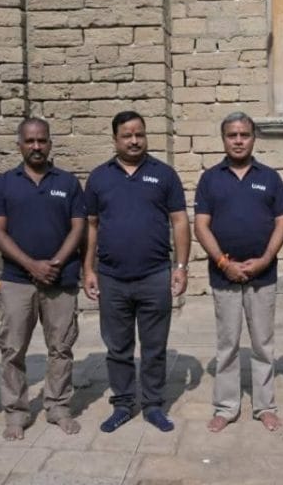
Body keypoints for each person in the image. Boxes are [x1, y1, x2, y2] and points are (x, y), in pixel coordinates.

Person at [83, 111, 190, 433]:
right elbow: (91, 225)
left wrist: (181, 267)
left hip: (155, 274)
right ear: (115, 139)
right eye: (127, 135)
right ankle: (124, 402)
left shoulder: (164, 174)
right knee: (118, 348)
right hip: (112, 277)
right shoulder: (99, 177)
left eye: (139, 134)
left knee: (155, 346)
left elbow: (180, 221)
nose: (134, 140)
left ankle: (154, 405)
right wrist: (89, 269)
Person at [0, 117, 86, 440]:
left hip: (61, 279)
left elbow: (78, 227)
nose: (36, 147)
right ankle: (15, 412)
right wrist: (32, 265)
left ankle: (58, 406)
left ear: (50, 143)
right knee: (13, 348)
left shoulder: (68, 182)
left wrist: (55, 262)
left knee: (61, 347)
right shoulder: (4, 184)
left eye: (42, 141)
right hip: (17, 280)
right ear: (19, 145)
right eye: (30, 141)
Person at [194, 113, 283, 433]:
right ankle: (227, 406)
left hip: (263, 274)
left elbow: (281, 222)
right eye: (232, 135)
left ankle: (265, 406)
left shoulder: (271, 178)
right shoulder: (210, 179)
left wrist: (265, 259)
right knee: (228, 343)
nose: (238, 140)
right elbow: (201, 225)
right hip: (224, 275)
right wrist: (223, 262)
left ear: (253, 138)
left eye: (244, 135)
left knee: (263, 343)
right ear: (223, 139)